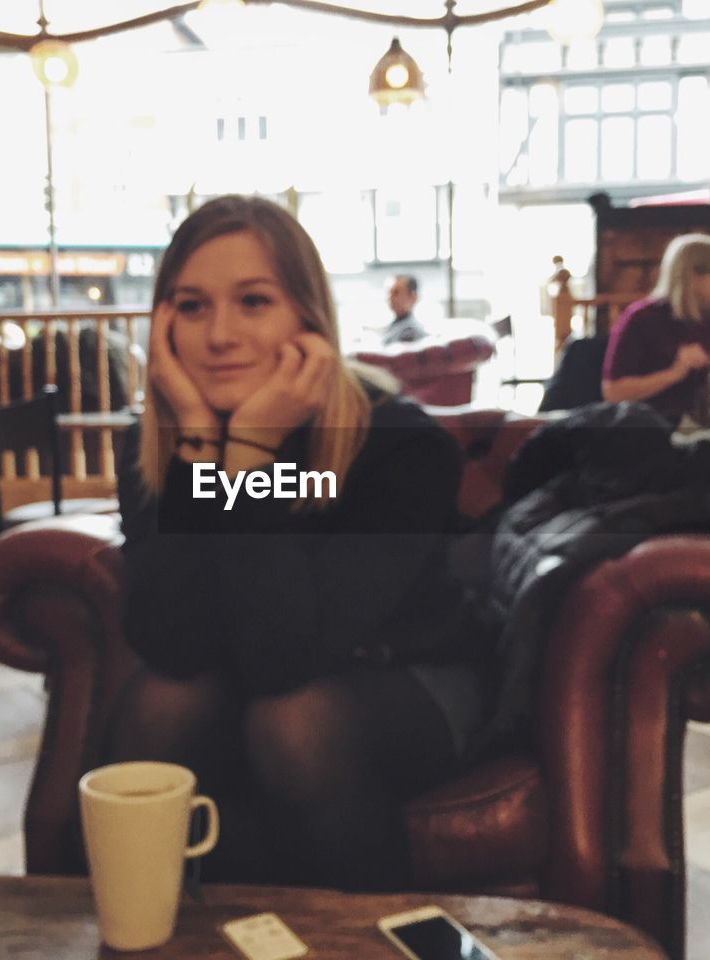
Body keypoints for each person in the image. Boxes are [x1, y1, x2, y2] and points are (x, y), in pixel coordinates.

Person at [110, 196, 487, 891]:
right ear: (162, 325)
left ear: (307, 318)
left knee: (293, 722)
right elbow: (173, 644)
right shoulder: (155, 445)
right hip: (244, 676)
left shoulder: (400, 444)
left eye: (253, 301)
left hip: (407, 674)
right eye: (191, 306)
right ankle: (137, 931)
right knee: (163, 700)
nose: (219, 334)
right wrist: (198, 450)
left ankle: (365, 944)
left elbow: (284, 659)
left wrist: (248, 455)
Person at [600, 233, 710, 425]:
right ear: (692, 275)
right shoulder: (640, 318)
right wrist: (675, 372)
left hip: (680, 424)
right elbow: (613, 393)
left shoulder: (702, 321)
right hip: (639, 427)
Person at [382, 274, 426, 345]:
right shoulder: (391, 327)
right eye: (389, 293)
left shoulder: (412, 332)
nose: (390, 298)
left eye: (396, 293)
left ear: (413, 297)